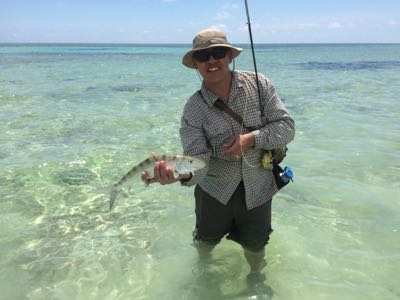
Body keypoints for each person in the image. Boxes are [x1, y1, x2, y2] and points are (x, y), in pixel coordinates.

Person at [142, 28, 295, 278]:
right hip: (214, 193)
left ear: (229, 57)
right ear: (196, 65)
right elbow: (197, 160)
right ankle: (203, 278)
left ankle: (256, 279)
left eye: (218, 53)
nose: (212, 60)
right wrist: (179, 175)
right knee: (205, 242)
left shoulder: (259, 85)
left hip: (258, 187)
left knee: (257, 245)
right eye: (203, 57)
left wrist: (251, 139)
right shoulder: (193, 109)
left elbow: (287, 128)